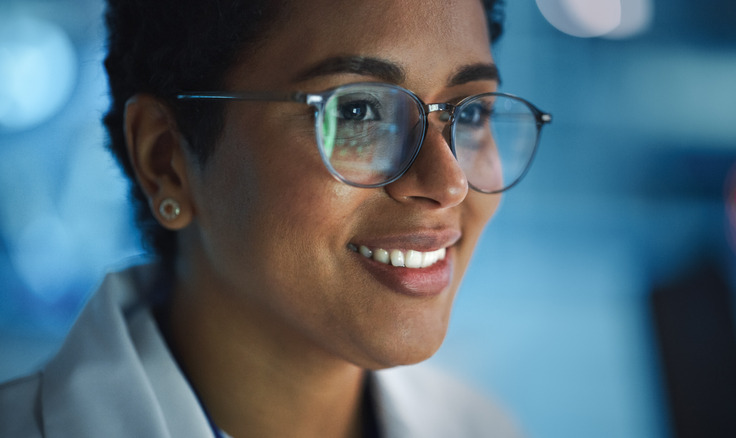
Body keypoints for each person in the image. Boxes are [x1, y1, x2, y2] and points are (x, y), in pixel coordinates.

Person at [0, 0, 551, 436]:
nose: (450, 181)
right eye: (358, 110)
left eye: (472, 111)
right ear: (165, 160)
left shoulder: (483, 427)